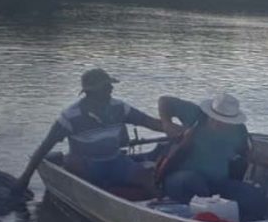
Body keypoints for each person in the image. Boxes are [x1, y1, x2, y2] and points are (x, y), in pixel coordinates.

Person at [12, 68, 163, 194]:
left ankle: (158, 205)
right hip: (87, 165)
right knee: (75, 164)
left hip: (116, 161)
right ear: (92, 92)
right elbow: (45, 147)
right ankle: (99, 193)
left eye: (110, 85)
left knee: (147, 177)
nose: (111, 88)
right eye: (106, 86)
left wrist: (180, 130)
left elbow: (149, 122)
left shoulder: (119, 107)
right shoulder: (70, 116)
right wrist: (25, 179)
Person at [156, 92, 267, 222]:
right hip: (180, 178)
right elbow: (164, 101)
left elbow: (245, 154)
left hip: (218, 183)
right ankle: (200, 217)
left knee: (253, 196)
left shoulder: (239, 131)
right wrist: (167, 124)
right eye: (214, 118)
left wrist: (263, 159)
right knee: (193, 182)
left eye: (224, 121)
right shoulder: (195, 114)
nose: (217, 123)